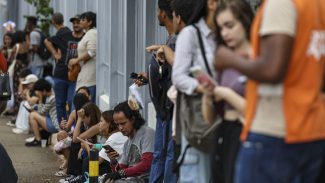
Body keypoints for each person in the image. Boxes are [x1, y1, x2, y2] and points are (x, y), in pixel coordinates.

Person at [214, 0, 325, 182]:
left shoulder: (280, 4)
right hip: (313, 130)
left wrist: (229, 59)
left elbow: (272, 69)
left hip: (277, 132)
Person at [201, 0, 254, 182]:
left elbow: (256, 111)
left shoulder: (259, 60)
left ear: (245, 21)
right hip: (223, 131)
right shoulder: (224, 60)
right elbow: (210, 118)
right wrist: (208, 97)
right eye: (221, 28)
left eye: (230, 26)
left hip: (247, 136)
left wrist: (225, 93)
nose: (225, 33)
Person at [44, 13, 84, 123]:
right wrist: (54, 54)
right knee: (60, 103)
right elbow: (47, 41)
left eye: (78, 22)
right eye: (74, 23)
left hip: (76, 76)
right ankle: (62, 127)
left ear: (83, 24)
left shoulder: (85, 37)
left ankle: (71, 126)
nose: (75, 25)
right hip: (60, 74)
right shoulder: (65, 34)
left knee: (72, 101)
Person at [103, 100, 155, 183]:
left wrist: (120, 174)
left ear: (133, 119)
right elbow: (121, 170)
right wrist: (113, 161)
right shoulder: (128, 143)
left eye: (123, 123)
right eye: (117, 124)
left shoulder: (147, 133)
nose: (120, 128)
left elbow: (147, 163)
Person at [68, 12, 97, 103]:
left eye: (83, 20)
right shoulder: (88, 33)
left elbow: (92, 52)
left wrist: (76, 60)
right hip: (85, 75)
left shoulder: (92, 33)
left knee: (81, 107)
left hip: (89, 78)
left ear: (90, 22)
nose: (80, 21)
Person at [25, 79, 59, 147]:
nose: (38, 93)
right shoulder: (52, 94)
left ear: (43, 90)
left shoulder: (52, 98)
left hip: (55, 126)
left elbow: (41, 112)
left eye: (39, 92)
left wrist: (40, 98)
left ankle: (38, 140)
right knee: (34, 114)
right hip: (52, 121)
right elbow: (44, 109)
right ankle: (41, 140)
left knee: (32, 115)